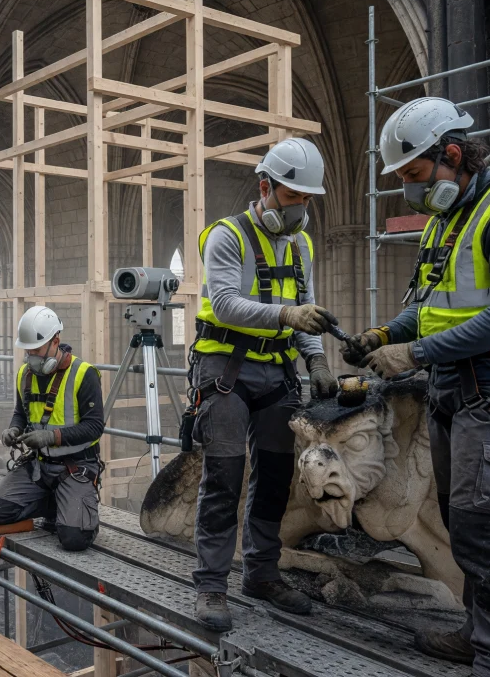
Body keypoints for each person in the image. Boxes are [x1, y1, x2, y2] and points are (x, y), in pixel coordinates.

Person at [348, 97, 490, 676]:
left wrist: (413, 354)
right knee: (464, 522)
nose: (409, 192)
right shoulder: (448, 222)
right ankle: (481, 633)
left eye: (414, 176)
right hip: (457, 389)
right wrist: (383, 334)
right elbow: (432, 308)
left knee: (489, 530)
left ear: (451, 155)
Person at [187, 137, 339, 632]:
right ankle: (212, 584)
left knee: (274, 476)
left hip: (277, 373)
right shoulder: (226, 236)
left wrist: (315, 360)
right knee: (224, 478)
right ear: (265, 186)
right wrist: (286, 313)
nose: (301, 208)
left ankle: (261, 572)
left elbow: (307, 311)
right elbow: (227, 303)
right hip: (226, 372)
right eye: (293, 196)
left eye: (307, 199)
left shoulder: (301, 244)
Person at [0, 306, 104, 552]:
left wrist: (51, 437)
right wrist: (13, 430)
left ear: (55, 342)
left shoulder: (84, 374)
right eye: (27, 351)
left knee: (74, 539)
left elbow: (94, 427)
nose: (31, 356)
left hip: (75, 467)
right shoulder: (25, 374)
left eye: (36, 350)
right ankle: (56, 502)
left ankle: (75, 510)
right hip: (39, 466)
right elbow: (21, 413)